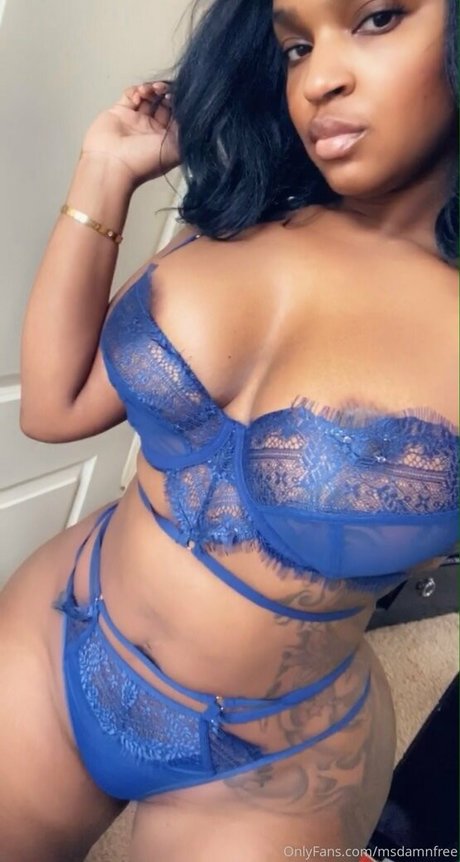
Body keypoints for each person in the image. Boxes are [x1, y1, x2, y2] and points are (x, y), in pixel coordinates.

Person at [1, 0, 458, 858]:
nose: (318, 80)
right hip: (61, 632)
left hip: (270, 764)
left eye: (377, 18)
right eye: (296, 46)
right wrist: (106, 169)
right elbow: (54, 407)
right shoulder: (245, 210)